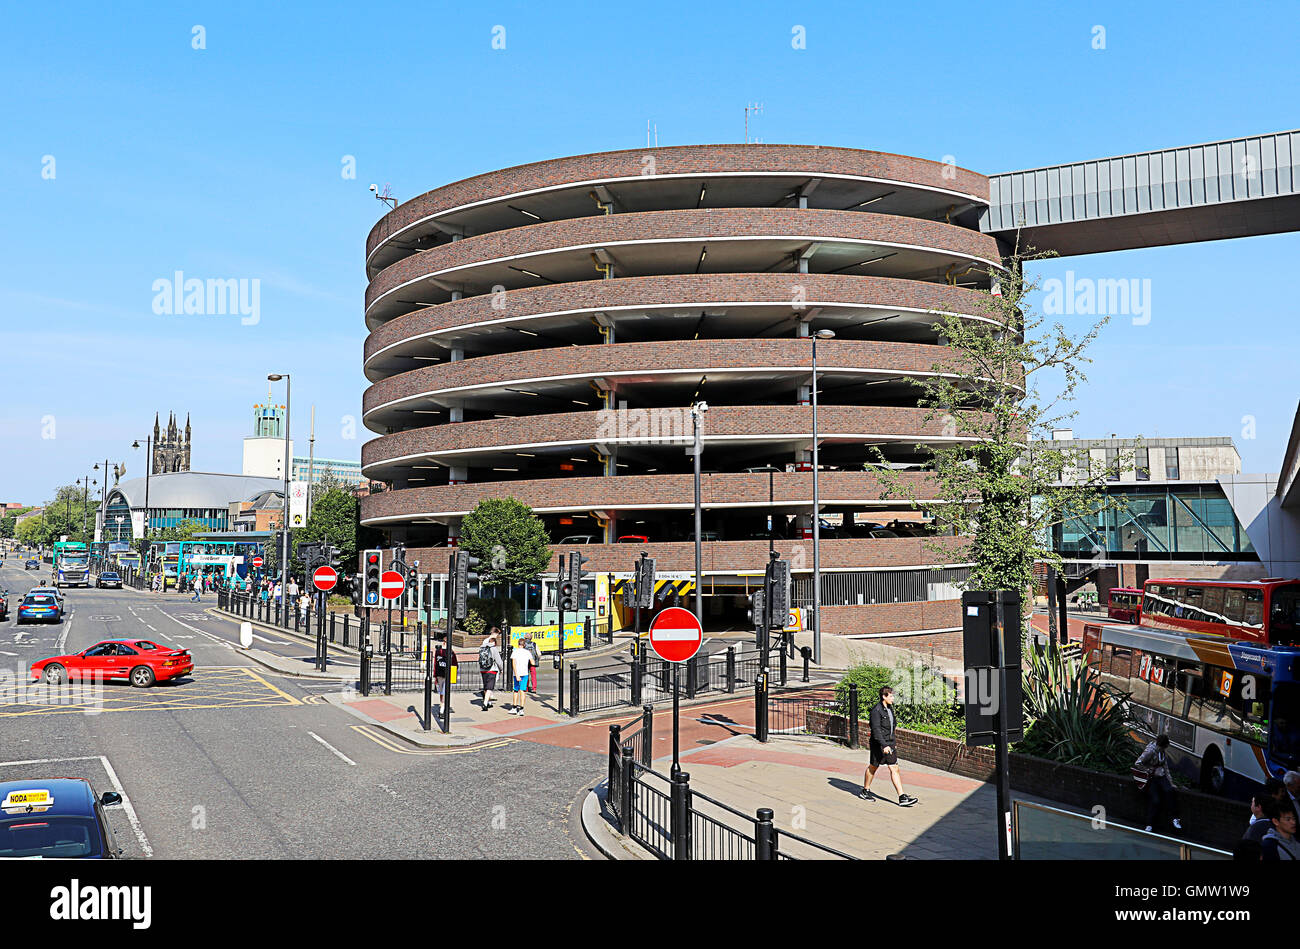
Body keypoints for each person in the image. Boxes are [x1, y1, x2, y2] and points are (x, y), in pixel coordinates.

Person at [860, 686, 917, 806]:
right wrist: (884, 745)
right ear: (884, 696)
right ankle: (865, 790)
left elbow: (892, 725)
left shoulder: (890, 708)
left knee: (894, 768)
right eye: (891, 696)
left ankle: (902, 797)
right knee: (873, 767)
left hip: (889, 743)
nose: (893, 698)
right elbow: (876, 730)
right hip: (879, 744)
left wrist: (892, 743)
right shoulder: (876, 711)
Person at [1135, 734, 1183, 833]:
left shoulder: (1162, 752)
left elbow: (1166, 768)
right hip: (1152, 778)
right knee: (1155, 800)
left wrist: (1171, 782)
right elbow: (1138, 763)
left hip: (1161, 777)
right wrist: (1148, 770)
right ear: (1162, 745)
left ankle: (1175, 818)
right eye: (1165, 746)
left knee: (1169, 791)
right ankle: (1149, 824)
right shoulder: (1150, 751)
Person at [477, 631, 502, 710]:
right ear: (494, 643)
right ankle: (485, 704)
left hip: (483, 669)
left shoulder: (482, 648)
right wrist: (501, 669)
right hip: (492, 670)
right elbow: (499, 661)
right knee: (489, 688)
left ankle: (488, 702)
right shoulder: (494, 649)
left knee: (485, 686)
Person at [509, 636, 533, 716]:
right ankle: (522, 709)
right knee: (523, 691)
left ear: (518, 644)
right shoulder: (527, 652)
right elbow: (532, 662)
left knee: (516, 690)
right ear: (524, 645)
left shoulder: (515, 652)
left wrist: (516, 674)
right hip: (525, 673)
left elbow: (513, 664)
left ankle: (514, 708)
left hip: (517, 674)